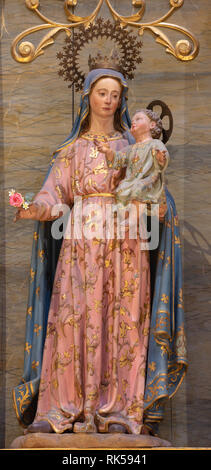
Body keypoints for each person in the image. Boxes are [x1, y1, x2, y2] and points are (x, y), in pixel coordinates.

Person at [13, 67, 188, 436]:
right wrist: (35, 207)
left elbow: (155, 189)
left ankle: (120, 411)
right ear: (88, 97)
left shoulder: (134, 146)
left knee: (123, 321)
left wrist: (160, 207)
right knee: (73, 321)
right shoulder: (71, 151)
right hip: (81, 245)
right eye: (102, 93)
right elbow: (54, 195)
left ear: (121, 100)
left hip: (126, 246)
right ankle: (62, 407)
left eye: (115, 94)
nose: (109, 101)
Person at [95, 108, 169, 235]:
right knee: (121, 189)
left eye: (138, 119)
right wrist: (108, 151)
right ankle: (121, 218)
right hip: (131, 181)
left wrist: (161, 158)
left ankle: (133, 220)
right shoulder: (130, 148)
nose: (133, 122)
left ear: (152, 125)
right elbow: (117, 160)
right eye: (133, 120)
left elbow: (163, 157)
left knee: (137, 188)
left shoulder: (155, 144)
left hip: (150, 180)